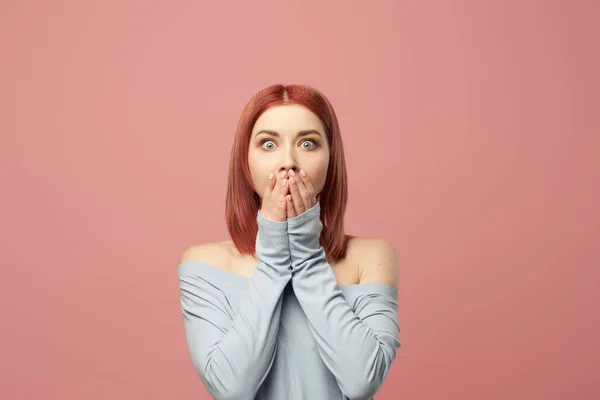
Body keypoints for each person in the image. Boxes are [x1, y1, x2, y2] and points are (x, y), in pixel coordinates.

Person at [177, 84, 402, 400]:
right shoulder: (204, 263)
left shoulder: (372, 256)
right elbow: (232, 389)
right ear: (246, 162)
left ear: (330, 159)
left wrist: (307, 253)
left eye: (308, 143)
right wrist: (274, 257)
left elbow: (361, 380)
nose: (288, 163)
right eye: (268, 144)